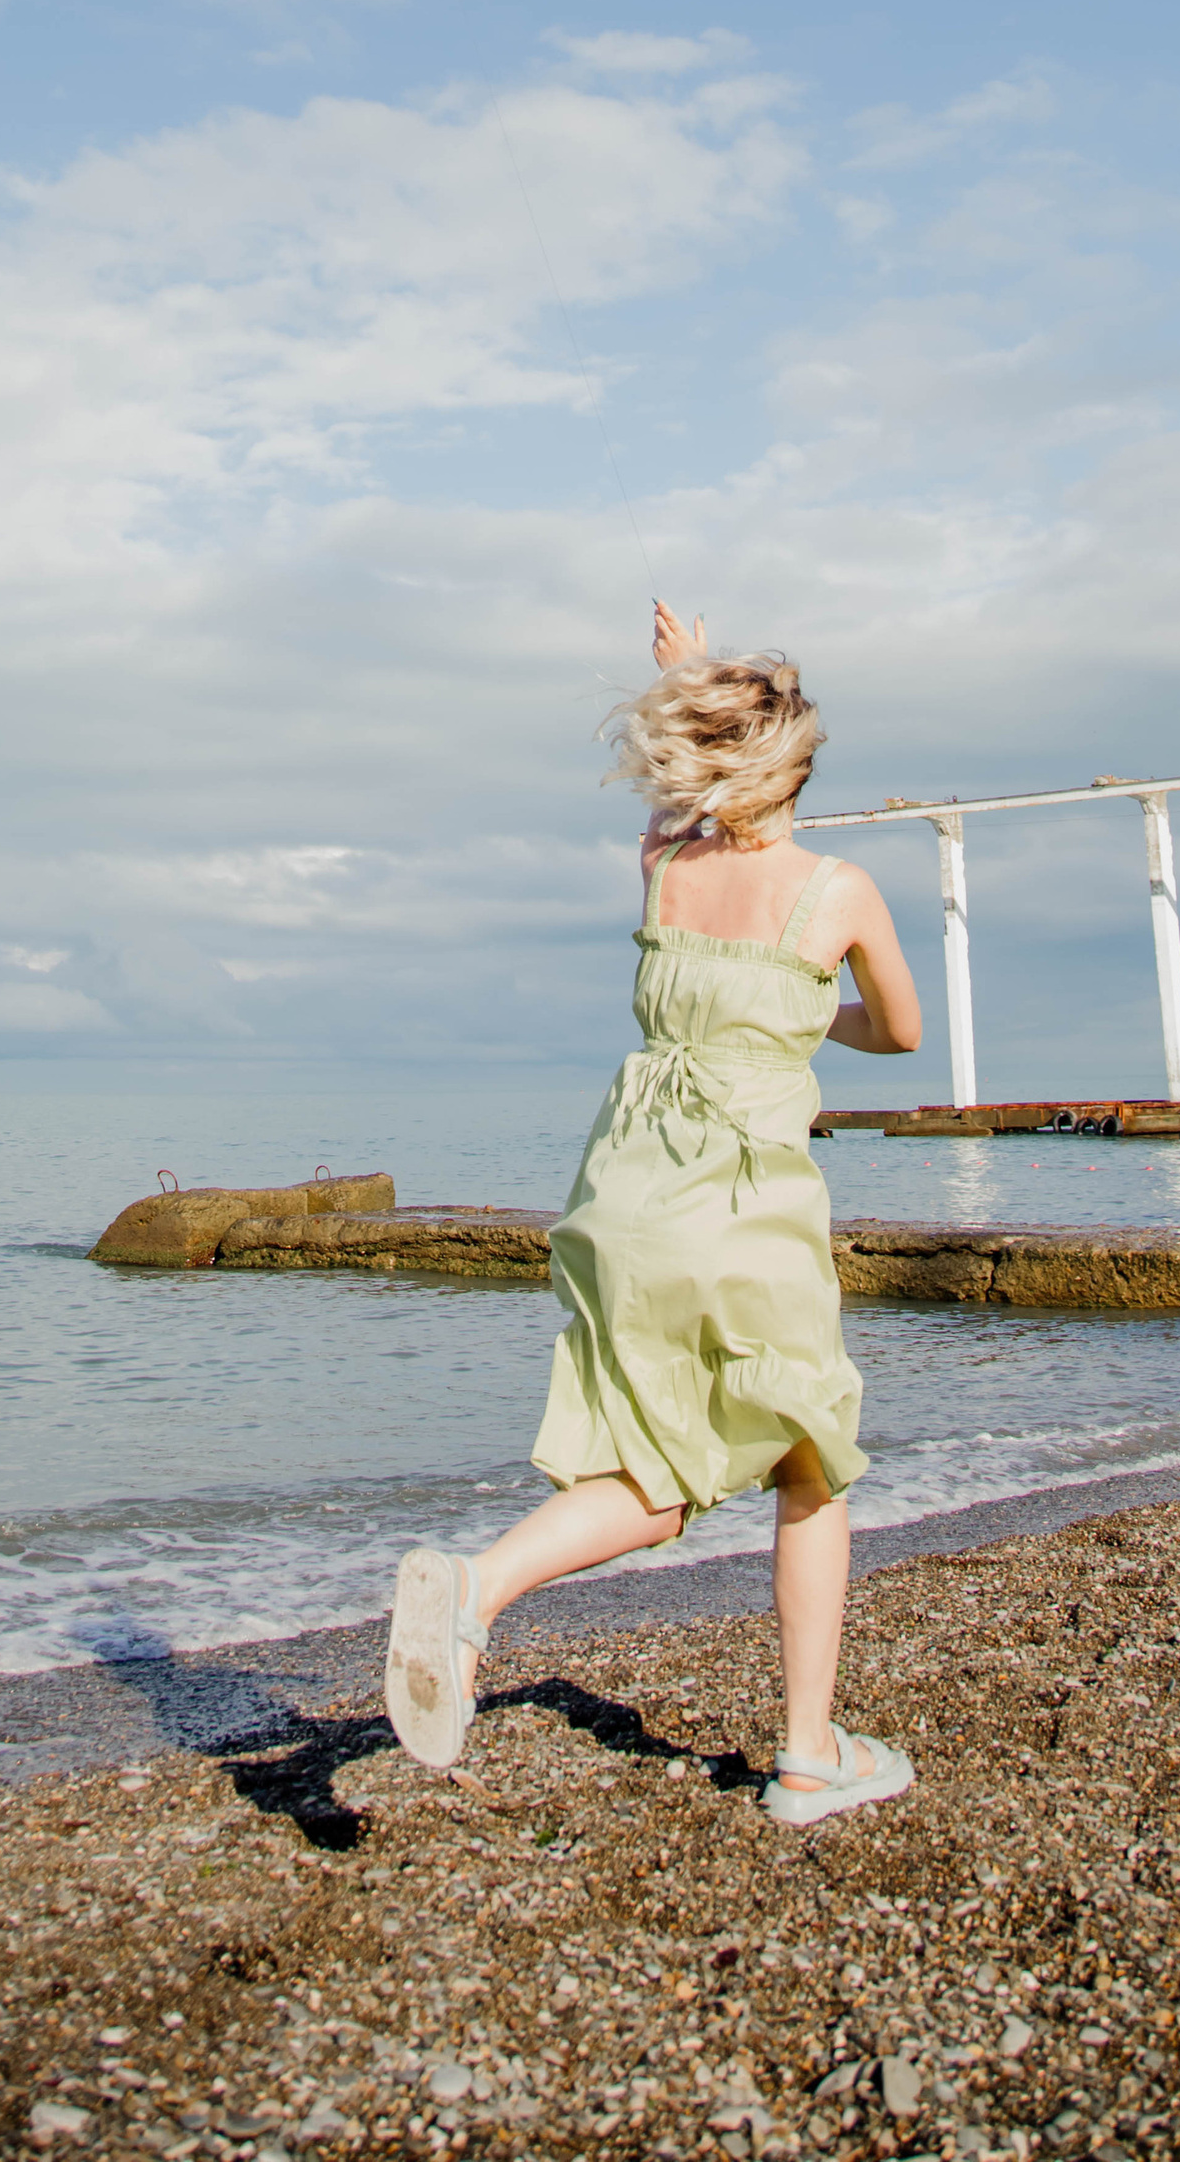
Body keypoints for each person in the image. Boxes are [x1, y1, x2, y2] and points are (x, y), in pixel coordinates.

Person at [383, 600, 925, 1827]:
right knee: (809, 1463)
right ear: (796, 766)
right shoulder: (836, 894)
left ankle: (483, 1583)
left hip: (620, 1194)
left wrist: (688, 678)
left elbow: (687, 814)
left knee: (659, 1466)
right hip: (738, 1203)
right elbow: (899, 1033)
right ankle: (804, 1755)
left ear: (703, 755)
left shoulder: (663, 866)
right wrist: (809, 1012)